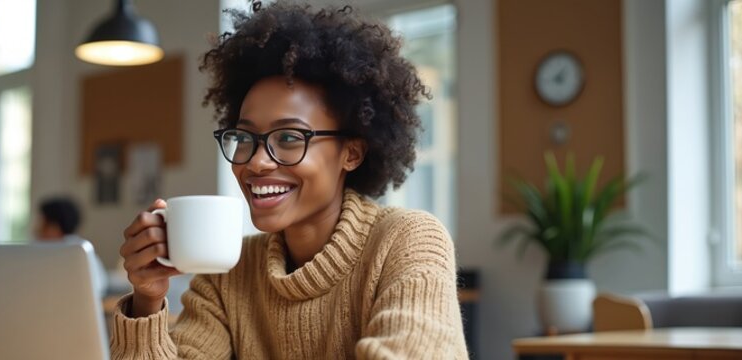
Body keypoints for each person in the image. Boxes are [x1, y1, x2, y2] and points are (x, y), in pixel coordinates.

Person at [113, 2, 468, 359]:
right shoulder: (226, 276)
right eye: (245, 138)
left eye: (289, 138)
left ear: (353, 153)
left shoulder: (408, 242)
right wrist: (147, 298)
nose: (256, 161)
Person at [35, 196, 108, 299]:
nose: (37, 230)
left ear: (54, 227)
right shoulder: (82, 249)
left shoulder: (57, 255)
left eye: (42, 224)